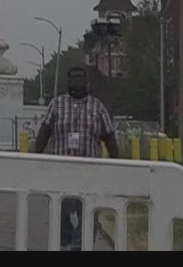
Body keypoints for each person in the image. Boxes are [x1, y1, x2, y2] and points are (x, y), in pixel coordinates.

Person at [31, 66, 123, 250]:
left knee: (87, 212)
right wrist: (34, 158)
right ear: (68, 81)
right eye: (73, 77)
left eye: (80, 77)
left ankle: (78, 246)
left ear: (86, 81)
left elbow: (109, 137)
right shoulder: (57, 104)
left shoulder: (97, 106)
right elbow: (44, 132)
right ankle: (65, 241)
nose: (77, 80)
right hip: (62, 171)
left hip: (89, 171)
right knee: (63, 211)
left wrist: (117, 164)